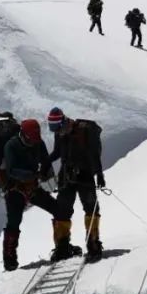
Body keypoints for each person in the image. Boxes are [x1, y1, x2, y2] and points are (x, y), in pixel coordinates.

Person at [0, 119, 63, 271]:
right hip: (14, 190)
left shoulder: (37, 143)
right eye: (31, 139)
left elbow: (45, 161)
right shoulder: (11, 145)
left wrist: (49, 176)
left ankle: (62, 246)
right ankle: (9, 260)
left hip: (32, 186)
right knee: (14, 222)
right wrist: (34, 175)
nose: (33, 142)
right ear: (23, 134)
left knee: (59, 210)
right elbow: (11, 170)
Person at [45, 106, 106, 261]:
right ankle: (62, 246)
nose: (57, 133)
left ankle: (92, 242)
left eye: (58, 129)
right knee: (62, 210)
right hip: (66, 175)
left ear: (63, 121)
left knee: (91, 207)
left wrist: (99, 174)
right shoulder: (60, 132)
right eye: (55, 130)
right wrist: (46, 162)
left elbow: (94, 154)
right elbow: (58, 152)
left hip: (84, 174)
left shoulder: (84, 131)